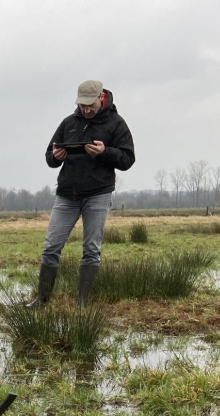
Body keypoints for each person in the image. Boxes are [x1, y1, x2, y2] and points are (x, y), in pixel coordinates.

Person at [29, 80, 135, 308]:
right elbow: (49, 157)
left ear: (100, 98)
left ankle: (81, 303)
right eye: (82, 105)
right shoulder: (68, 123)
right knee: (50, 247)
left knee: (91, 250)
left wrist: (104, 152)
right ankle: (41, 300)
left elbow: (128, 159)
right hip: (67, 194)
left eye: (90, 105)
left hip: (98, 195)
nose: (86, 110)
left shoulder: (116, 123)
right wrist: (56, 157)